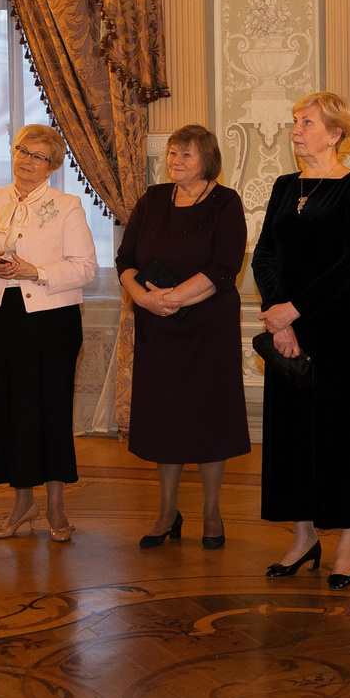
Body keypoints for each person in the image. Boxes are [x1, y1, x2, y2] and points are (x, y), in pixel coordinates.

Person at [252, 91, 350, 588]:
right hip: (287, 330)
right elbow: (263, 255)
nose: (296, 130)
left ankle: (349, 540)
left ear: (335, 134)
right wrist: (281, 322)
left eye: (306, 122)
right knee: (290, 436)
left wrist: (293, 311)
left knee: (339, 433)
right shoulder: (285, 186)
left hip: (336, 328)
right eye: (295, 122)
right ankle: (304, 537)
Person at [0, 124, 98, 542]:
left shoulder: (68, 204)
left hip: (51, 322)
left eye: (38, 156)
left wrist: (32, 271)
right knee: (10, 411)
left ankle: (56, 506)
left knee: (50, 410)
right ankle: (23, 505)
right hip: (3, 318)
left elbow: (86, 268)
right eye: (23, 150)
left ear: (52, 166)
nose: (26, 160)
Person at [117, 124, 250, 549]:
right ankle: (166, 511)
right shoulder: (153, 199)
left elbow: (225, 267)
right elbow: (125, 258)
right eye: (173, 153)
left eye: (186, 154)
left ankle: (212, 513)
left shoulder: (226, 202)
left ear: (207, 160)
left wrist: (172, 297)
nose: (176, 160)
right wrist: (143, 298)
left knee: (211, 419)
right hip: (158, 329)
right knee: (164, 421)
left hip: (209, 328)